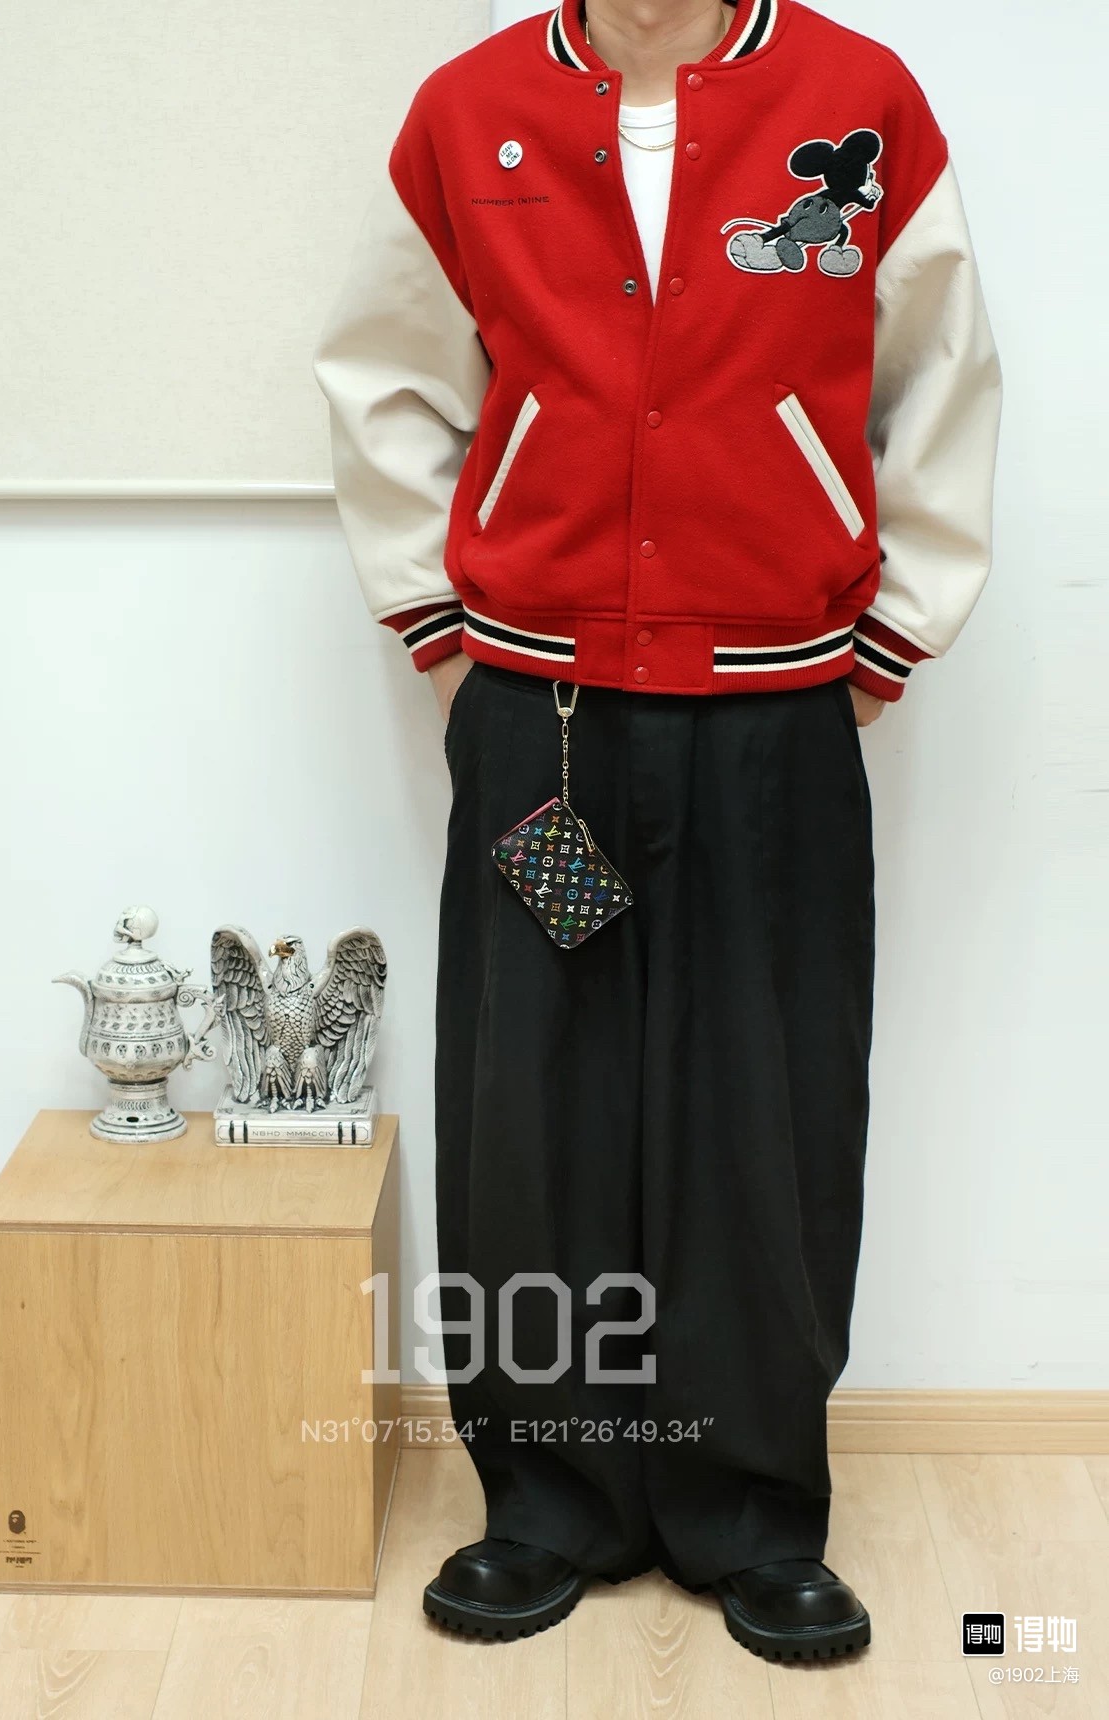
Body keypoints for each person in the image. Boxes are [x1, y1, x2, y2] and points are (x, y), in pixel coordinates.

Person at [312, 0, 1001, 1661]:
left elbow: (943, 382)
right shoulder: (468, 110)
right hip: (537, 708)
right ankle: (547, 1500)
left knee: (765, 1105)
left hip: (775, 704)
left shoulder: (856, 99)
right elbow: (383, 379)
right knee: (528, 1110)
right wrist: (437, 623)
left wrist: (891, 634)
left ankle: (751, 1511)